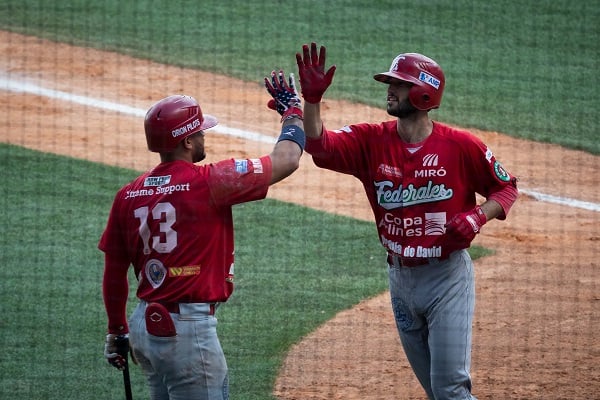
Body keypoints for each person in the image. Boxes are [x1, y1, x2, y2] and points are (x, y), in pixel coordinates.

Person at [295, 42, 518, 399]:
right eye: (391, 82)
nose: (390, 89)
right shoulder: (370, 140)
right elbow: (319, 147)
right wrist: (312, 100)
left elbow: (505, 188)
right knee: (435, 391)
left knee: (450, 390)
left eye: (399, 83)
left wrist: (477, 217)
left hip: (447, 278)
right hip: (399, 278)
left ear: (424, 93)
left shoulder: (460, 146)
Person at [100, 70, 305, 400]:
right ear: (187, 141)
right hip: (187, 333)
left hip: (143, 329)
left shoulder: (128, 194)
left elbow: (114, 274)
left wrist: (116, 331)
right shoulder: (210, 181)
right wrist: (292, 111)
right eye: (200, 132)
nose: (204, 136)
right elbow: (288, 159)